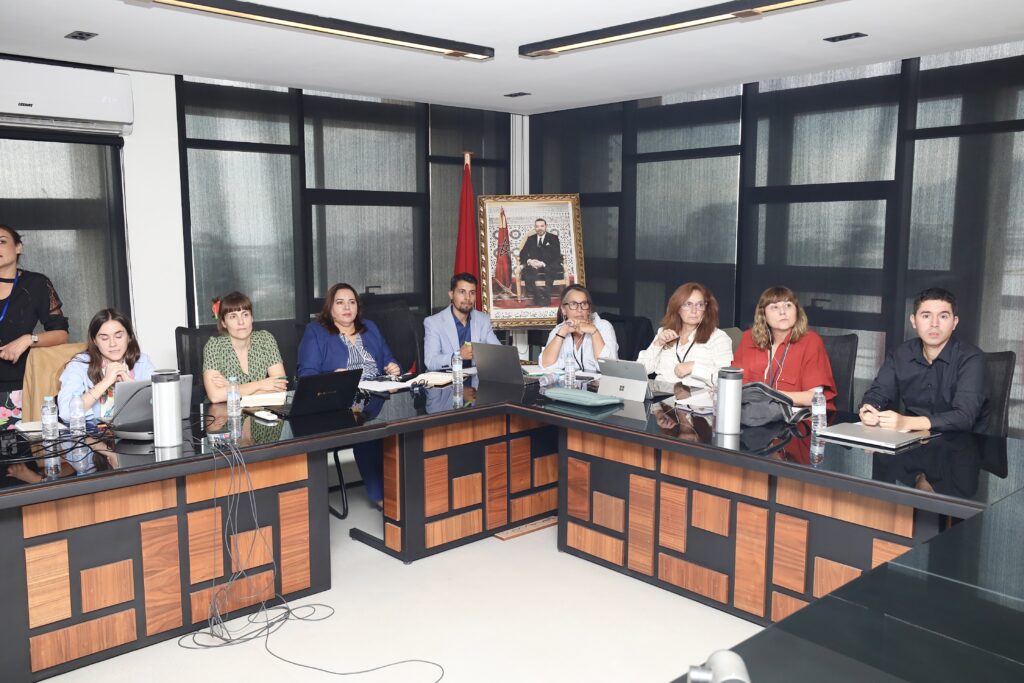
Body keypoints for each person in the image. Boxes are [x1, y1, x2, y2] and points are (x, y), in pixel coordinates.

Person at [297, 283, 400, 507]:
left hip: (377, 396)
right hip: (340, 402)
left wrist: (392, 367)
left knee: (404, 428)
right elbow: (306, 375)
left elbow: (389, 358)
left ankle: (404, 488)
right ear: (330, 308)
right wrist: (333, 378)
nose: (347, 307)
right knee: (364, 428)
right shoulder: (316, 332)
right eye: (340, 302)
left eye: (352, 302)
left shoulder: (370, 328)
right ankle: (382, 496)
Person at [859, 288, 989, 433]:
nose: (934, 324)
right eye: (926, 316)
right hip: (912, 439)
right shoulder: (900, 354)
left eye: (943, 316)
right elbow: (878, 393)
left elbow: (964, 417)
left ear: (954, 322)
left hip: (961, 442)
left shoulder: (972, 359)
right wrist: (869, 409)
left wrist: (906, 422)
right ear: (913, 321)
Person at [0, 224, 70, 429]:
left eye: (1, 242)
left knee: (27, 448)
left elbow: (61, 334)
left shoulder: (36, 283)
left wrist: (28, 340)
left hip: (21, 388)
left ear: (18, 247)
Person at [733, 287, 836, 409]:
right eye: (774, 307)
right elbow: (734, 386)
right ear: (763, 314)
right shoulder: (748, 339)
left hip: (797, 416)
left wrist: (770, 396)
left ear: (797, 311)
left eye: (788, 305)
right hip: (752, 414)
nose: (782, 312)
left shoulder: (811, 341)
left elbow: (814, 397)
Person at [58, 309, 155, 421]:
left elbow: (158, 406)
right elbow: (66, 413)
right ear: (95, 341)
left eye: (119, 336)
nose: (112, 344)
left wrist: (129, 384)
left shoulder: (142, 361)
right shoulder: (78, 364)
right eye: (104, 338)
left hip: (134, 429)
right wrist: (105, 382)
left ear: (129, 337)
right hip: (93, 431)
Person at [637, 282, 733, 386]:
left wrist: (693, 367)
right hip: (661, 393)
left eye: (700, 305)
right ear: (677, 308)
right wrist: (658, 344)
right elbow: (640, 371)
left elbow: (726, 379)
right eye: (688, 304)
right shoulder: (664, 332)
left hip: (697, 395)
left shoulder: (718, 338)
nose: (694, 310)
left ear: (706, 309)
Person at [202, 291, 288, 403]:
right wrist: (261, 384)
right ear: (223, 323)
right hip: (224, 412)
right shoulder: (214, 346)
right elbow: (215, 396)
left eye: (245, 314)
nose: (241, 322)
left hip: (259, 410)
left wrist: (232, 388)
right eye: (233, 316)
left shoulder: (265, 339)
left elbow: (281, 388)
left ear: (252, 318)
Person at [423, 273, 500, 371]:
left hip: (475, 378)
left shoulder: (483, 320)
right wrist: (458, 356)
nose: (467, 297)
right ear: (451, 295)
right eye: (462, 292)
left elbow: (498, 353)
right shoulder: (433, 323)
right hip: (448, 379)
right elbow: (430, 362)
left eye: (472, 293)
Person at [539, 284, 618, 373]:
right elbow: (545, 365)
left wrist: (594, 332)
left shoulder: (604, 326)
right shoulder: (559, 330)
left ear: (588, 309)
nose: (579, 310)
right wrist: (562, 333)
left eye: (584, 304)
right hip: (569, 381)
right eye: (573, 304)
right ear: (564, 310)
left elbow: (610, 369)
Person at [518, 218, 563, 306]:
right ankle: (537, 295)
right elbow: (522, 253)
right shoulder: (531, 238)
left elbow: (556, 254)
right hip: (533, 265)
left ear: (546, 226)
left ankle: (546, 296)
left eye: (542, 226)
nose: (539, 228)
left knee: (551, 268)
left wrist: (542, 263)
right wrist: (530, 261)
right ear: (535, 228)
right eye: (537, 226)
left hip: (548, 264)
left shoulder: (553, 238)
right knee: (527, 272)